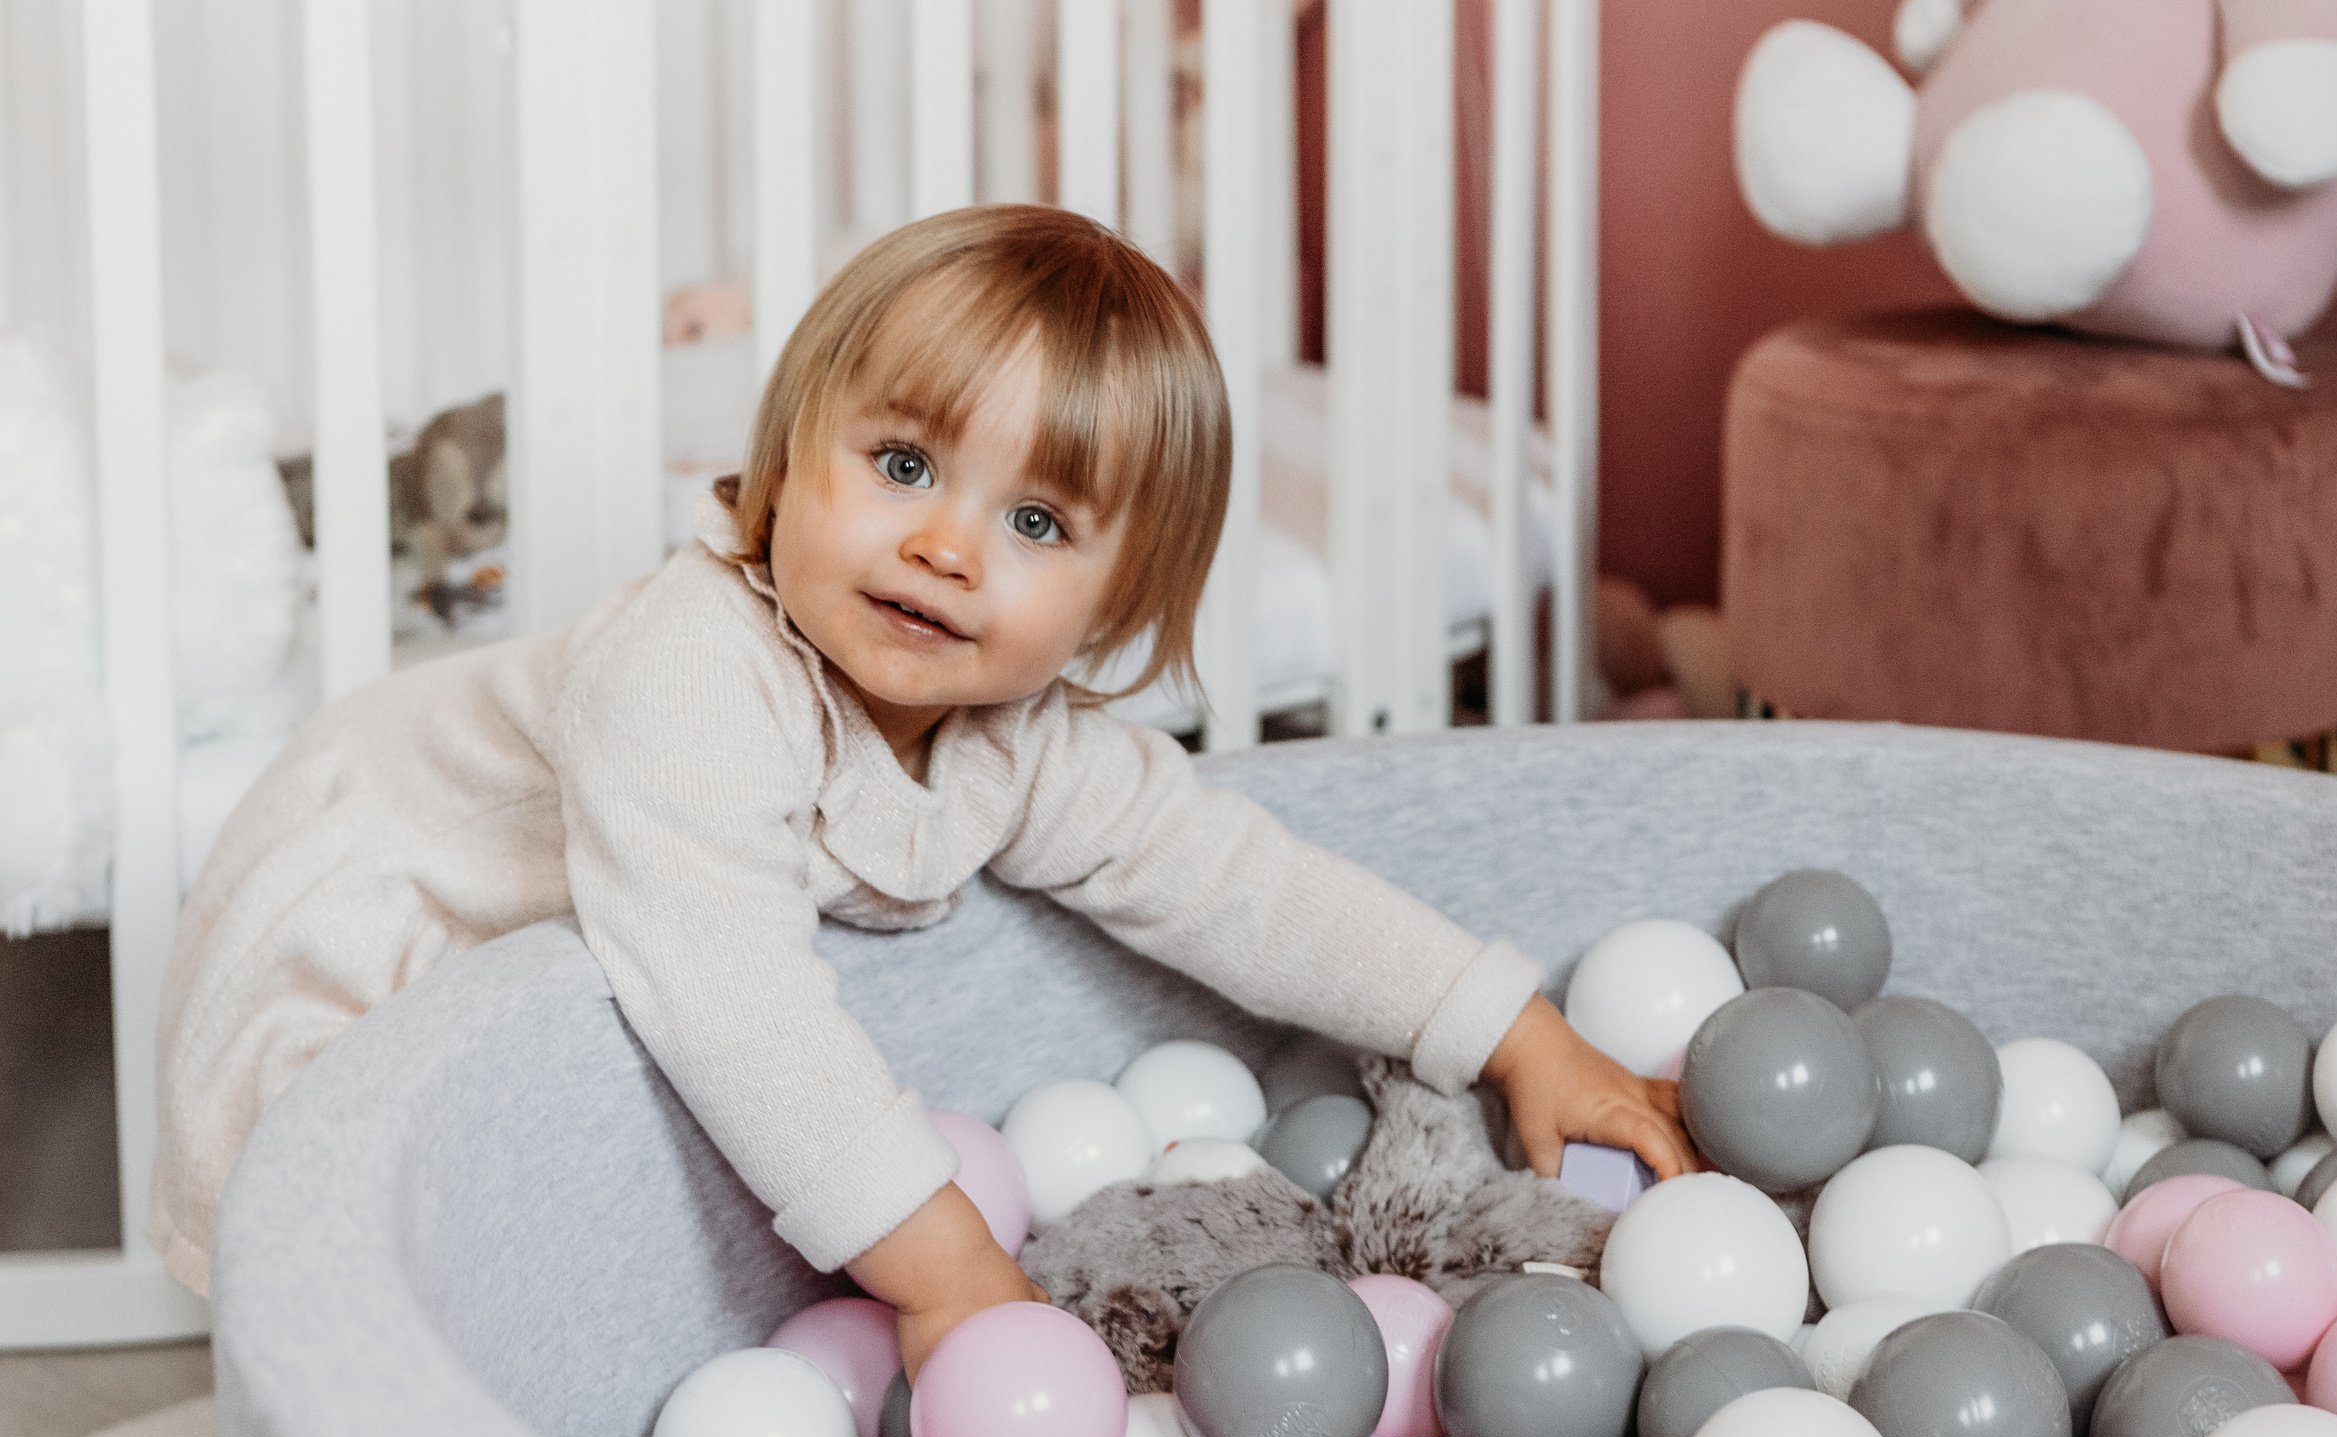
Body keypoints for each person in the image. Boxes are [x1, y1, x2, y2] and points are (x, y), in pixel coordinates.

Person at [153, 205, 1695, 1375]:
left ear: (1109, 611)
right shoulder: (695, 672)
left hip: (567, 945)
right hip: (383, 909)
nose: (948, 547)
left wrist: (1512, 1029)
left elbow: (1237, 880)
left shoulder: (1015, 732)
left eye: (1034, 519)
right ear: (780, 465)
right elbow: (731, 1001)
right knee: (355, 1300)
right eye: (901, 468)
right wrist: (946, 1267)